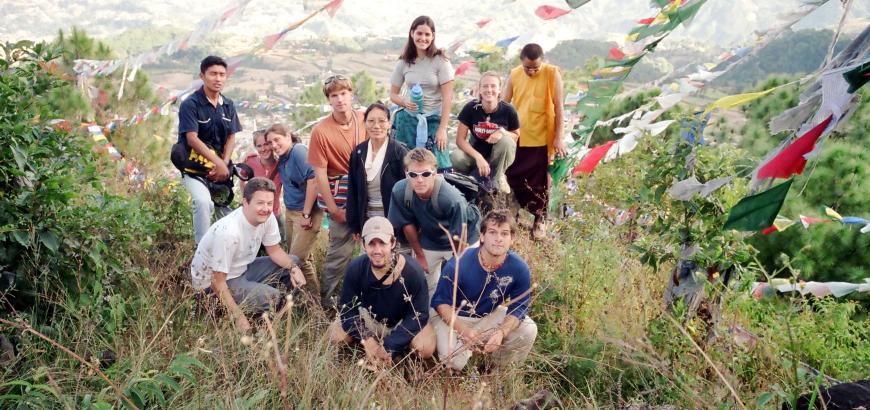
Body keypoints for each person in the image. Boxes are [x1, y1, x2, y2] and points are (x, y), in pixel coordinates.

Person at [190, 177, 306, 333]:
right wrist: (238, 317)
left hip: (240, 269)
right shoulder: (229, 233)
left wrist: (293, 268)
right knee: (274, 298)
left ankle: (281, 308)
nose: (265, 208)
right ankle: (258, 320)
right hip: (212, 287)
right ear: (245, 202)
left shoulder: (267, 217)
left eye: (269, 203)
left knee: (293, 262)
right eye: (260, 203)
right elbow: (217, 282)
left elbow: (274, 250)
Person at [430, 210, 537, 371]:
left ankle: (494, 370)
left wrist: (501, 332)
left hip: (486, 315)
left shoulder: (519, 268)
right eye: (492, 232)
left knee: (528, 329)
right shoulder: (459, 263)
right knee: (453, 360)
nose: (498, 239)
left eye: (504, 234)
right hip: (454, 316)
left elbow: (519, 307)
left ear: (512, 239)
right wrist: (465, 331)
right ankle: (459, 365)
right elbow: (441, 304)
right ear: (482, 236)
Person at [328, 217, 435, 366]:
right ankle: (365, 349)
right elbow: (348, 311)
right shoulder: (356, 268)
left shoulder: (413, 271)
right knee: (335, 334)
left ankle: (399, 356)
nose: (377, 250)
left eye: (382, 243)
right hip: (370, 318)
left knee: (425, 347)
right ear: (363, 245)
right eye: (371, 243)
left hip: (401, 322)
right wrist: (368, 339)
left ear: (392, 243)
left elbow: (420, 315)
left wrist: (390, 345)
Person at [308, 74, 367, 309]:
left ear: (351, 94)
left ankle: (367, 301)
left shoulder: (364, 119)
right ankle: (326, 302)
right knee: (338, 253)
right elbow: (320, 174)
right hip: (341, 194)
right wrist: (333, 209)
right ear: (329, 99)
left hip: (368, 191)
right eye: (334, 95)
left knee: (371, 247)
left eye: (344, 93)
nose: (340, 99)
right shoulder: (320, 131)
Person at [388, 148, 480, 296]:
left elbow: (460, 238)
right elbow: (407, 224)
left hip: (464, 237)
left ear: (435, 173)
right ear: (406, 173)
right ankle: (430, 314)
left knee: (463, 281)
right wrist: (420, 255)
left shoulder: (451, 198)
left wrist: (457, 265)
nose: (419, 180)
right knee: (424, 283)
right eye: (413, 174)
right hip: (431, 236)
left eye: (425, 174)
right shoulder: (400, 191)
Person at [503, 44, 566, 241]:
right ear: (521, 61)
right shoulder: (514, 74)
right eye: (527, 68)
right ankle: (513, 215)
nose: (531, 71)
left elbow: (559, 106)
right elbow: (504, 104)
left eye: (535, 68)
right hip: (518, 136)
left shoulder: (551, 73)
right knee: (512, 177)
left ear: (542, 61)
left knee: (539, 184)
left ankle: (540, 220)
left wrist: (559, 137)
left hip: (541, 137)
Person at [177, 56, 242, 243]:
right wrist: (219, 163)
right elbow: (191, 138)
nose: (218, 78)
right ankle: (201, 251)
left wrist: (225, 164)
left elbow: (231, 135)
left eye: (222, 74)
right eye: (213, 74)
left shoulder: (228, 105)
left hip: (220, 171)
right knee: (203, 203)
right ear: (202, 76)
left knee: (226, 212)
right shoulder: (191, 104)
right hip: (194, 167)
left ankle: (229, 253)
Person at [268, 124, 323, 305]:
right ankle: (309, 300)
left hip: (306, 212)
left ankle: (315, 305)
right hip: (291, 211)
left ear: (288, 136)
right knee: (302, 259)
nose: (274, 145)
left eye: (277, 139)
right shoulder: (283, 158)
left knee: (296, 260)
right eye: (270, 142)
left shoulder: (298, 151)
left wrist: (306, 214)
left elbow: (313, 180)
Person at [389, 15, 454, 168]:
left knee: (439, 164)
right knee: (404, 164)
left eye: (427, 34)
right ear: (412, 33)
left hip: (433, 119)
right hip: (409, 119)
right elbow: (393, 95)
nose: (423, 38)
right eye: (419, 33)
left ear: (433, 36)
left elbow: (448, 98)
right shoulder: (404, 62)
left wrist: (442, 129)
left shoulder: (441, 61)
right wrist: (404, 101)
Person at [346, 102, 409, 238]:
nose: (376, 126)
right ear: (365, 123)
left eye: (382, 121)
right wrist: (355, 225)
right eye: (371, 121)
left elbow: (407, 193)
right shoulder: (358, 152)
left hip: (393, 220)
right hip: (367, 219)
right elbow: (353, 190)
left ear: (389, 124)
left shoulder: (399, 153)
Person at [452, 71, 519, 195]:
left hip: (497, 156)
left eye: (493, 86)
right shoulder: (471, 108)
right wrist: (478, 157)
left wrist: (502, 132)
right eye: (485, 86)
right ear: (480, 89)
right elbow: (460, 140)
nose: (489, 90)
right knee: (456, 156)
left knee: (506, 141)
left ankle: (498, 176)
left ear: (500, 90)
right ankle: (471, 176)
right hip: (476, 154)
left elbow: (516, 135)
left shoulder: (508, 110)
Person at [242, 130, 283, 229]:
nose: (263, 149)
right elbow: (242, 180)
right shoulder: (250, 161)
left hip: (274, 214)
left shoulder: (282, 164)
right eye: (259, 146)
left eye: (266, 144)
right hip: (254, 216)